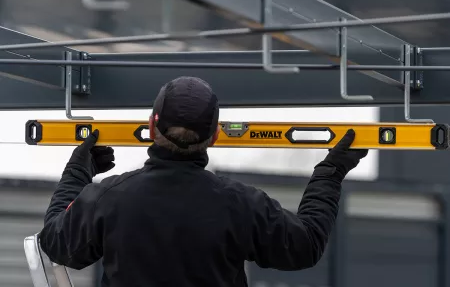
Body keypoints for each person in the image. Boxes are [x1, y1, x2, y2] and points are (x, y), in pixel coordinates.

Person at [39, 76, 368, 287]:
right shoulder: (238, 204)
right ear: (213, 136)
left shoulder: (109, 199)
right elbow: (305, 246)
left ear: (153, 128)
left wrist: (77, 172)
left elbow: (55, 243)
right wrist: (330, 173)